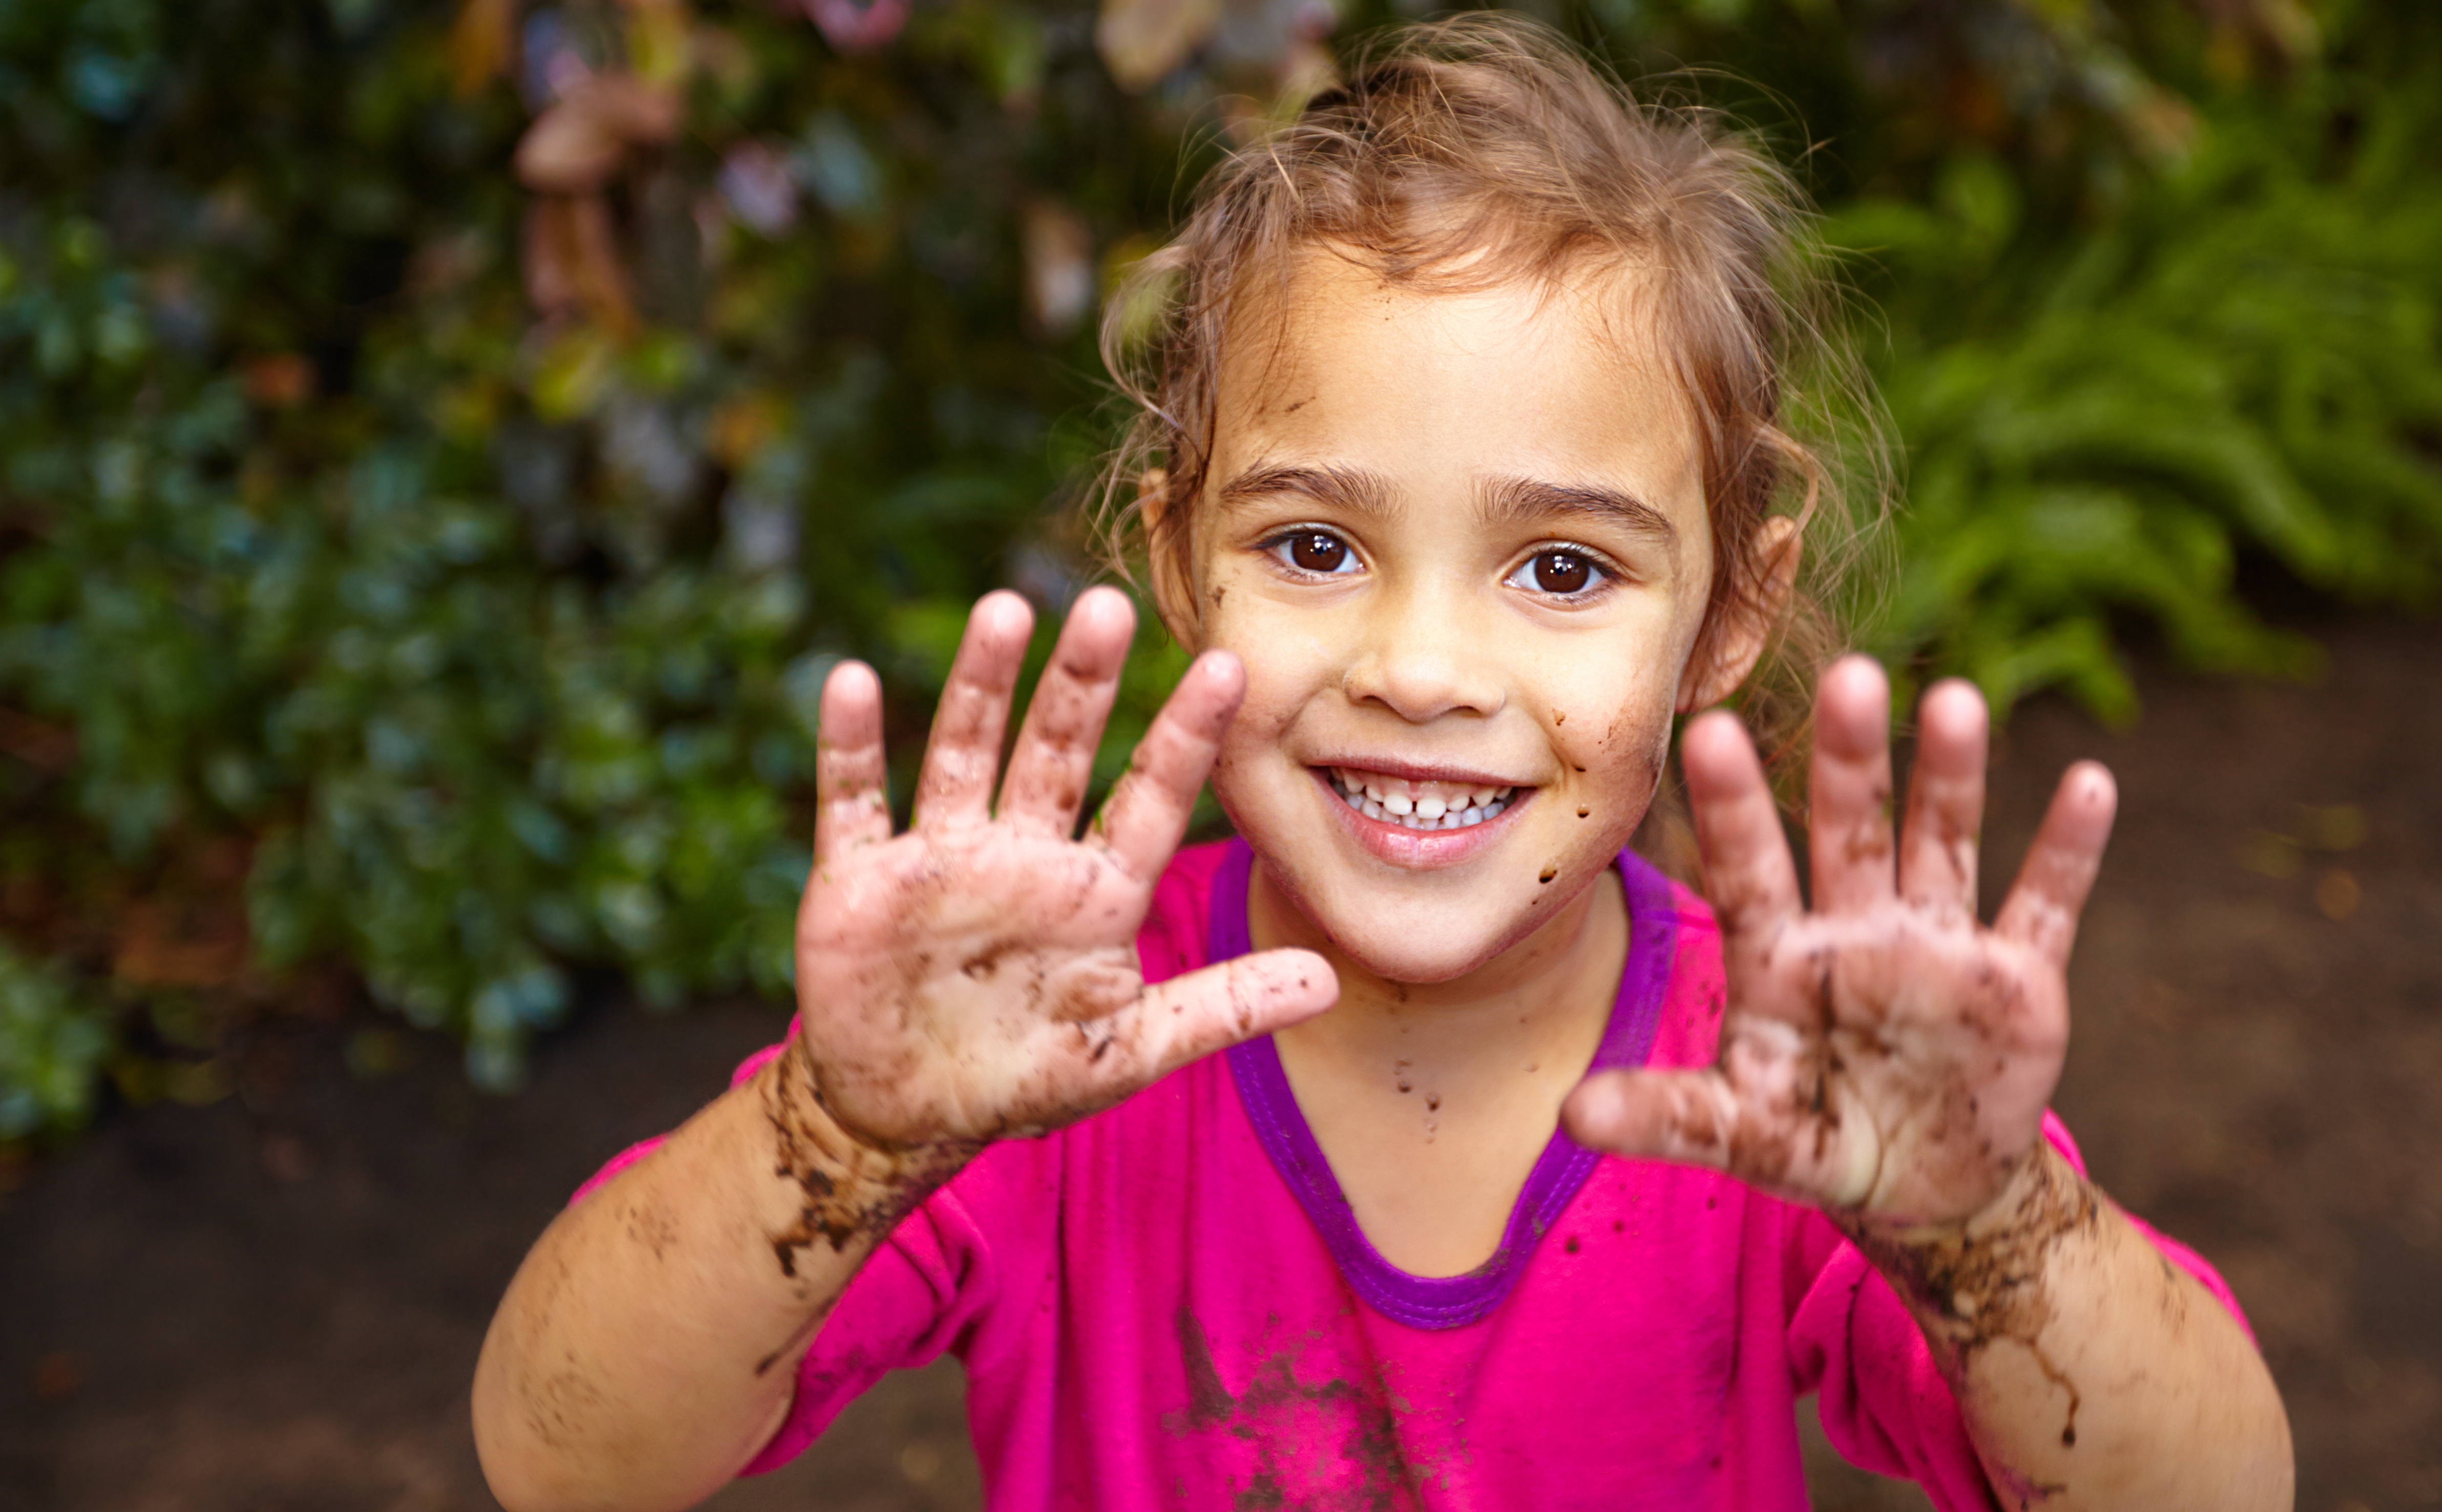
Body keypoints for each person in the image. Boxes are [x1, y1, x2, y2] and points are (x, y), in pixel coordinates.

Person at [471, 16, 2292, 1510]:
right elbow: (562, 1455)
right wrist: (839, 1132)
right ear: (1177, 551)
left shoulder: (1786, 1081)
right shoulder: (1042, 1037)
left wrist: (1992, 1228)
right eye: (1317, 546)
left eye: (1563, 569)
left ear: (1732, 609)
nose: (1422, 669)